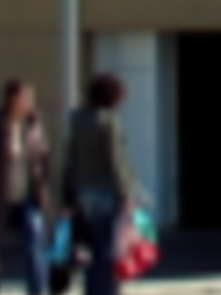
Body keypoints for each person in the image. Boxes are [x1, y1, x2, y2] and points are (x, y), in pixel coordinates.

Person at [0, 79, 53, 295]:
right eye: (26, 97)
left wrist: (44, 189)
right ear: (13, 100)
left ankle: (37, 290)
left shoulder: (33, 125)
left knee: (34, 246)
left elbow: (44, 159)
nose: (31, 102)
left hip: (27, 198)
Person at [62, 73, 144, 295]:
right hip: (107, 192)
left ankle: (92, 290)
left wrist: (67, 195)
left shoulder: (77, 120)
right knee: (111, 249)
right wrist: (127, 194)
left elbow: (71, 158)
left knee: (93, 249)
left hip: (83, 192)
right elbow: (116, 161)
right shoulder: (108, 121)